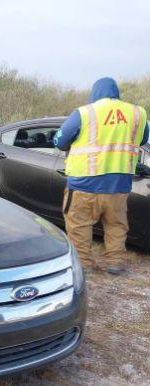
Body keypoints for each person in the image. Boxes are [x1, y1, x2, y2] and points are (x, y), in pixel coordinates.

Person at [54, 77, 149, 275]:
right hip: (118, 186)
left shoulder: (85, 113)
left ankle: (84, 266)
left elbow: (60, 141)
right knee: (116, 226)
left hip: (83, 184)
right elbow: (143, 138)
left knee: (79, 226)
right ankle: (115, 264)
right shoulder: (138, 113)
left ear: (94, 93)